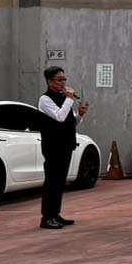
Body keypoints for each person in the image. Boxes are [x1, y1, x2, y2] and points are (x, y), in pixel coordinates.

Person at [37, 66, 89, 229]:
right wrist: (69, 99)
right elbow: (59, 117)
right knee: (51, 181)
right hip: (53, 145)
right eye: (60, 80)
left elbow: (70, 122)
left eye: (64, 79)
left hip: (66, 144)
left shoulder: (63, 98)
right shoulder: (45, 100)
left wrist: (80, 114)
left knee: (60, 181)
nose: (63, 83)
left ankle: (55, 214)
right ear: (49, 82)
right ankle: (46, 217)